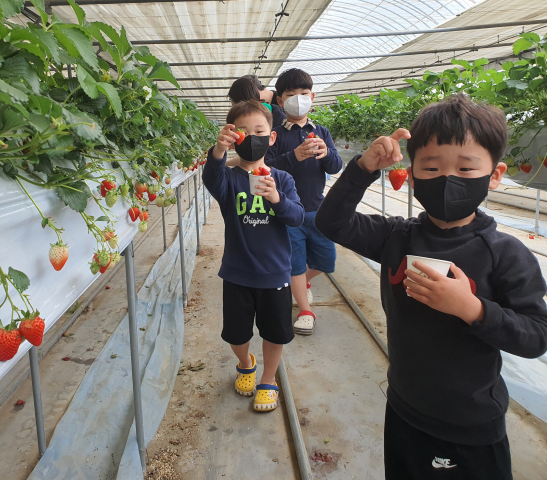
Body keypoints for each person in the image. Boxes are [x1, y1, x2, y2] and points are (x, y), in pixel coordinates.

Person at [315, 95, 547, 480]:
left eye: (465, 166)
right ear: (413, 172)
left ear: (495, 175)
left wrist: (471, 308)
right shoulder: (396, 236)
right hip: (405, 409)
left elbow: (537, 335)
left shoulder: (504, 254)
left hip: (470, 426)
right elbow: (332, 223)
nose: (447, 178)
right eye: (432, 166)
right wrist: (363, 167)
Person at [202, 100, 304, 412]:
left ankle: (268, 380)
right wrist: (218, 151)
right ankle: (246, 362)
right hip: (237, 273)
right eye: (244, 132)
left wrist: (276, 197)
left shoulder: (282, 179)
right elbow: (210, 177)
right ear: (234, 137)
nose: (253, 136)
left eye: (260, 131)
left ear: (271, 137)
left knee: (275, 333)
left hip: (274, 274)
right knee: (235, 333)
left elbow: (297, 217)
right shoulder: (229, 180)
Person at [265, 68, 342, 335]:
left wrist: (325, 153)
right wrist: (294, 156)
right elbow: (267, 167)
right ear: (280, 101)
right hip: (286, 210)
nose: (298, 99)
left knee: (325, 260)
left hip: (317, 208)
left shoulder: (320, 131)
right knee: (295, 262)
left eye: (304, 93)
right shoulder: (274, 134)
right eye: (291, 95)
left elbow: (336, 166)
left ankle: (302, 283)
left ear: (312, 97)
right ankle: (305, 309)